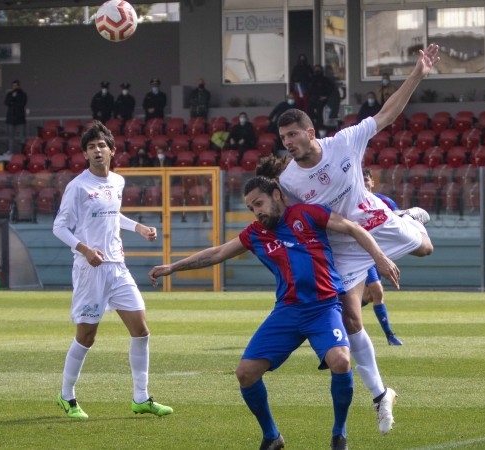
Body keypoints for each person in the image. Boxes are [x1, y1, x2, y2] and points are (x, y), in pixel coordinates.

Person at [257, 43, 440, 436]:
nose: (287, 142)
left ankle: (407, 215)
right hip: (341, 244)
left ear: (309, 132)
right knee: (352, 313)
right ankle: (380, 394)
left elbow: (388, 113)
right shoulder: (288, 180)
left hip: (374, 219)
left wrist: (418, 75)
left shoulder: (345, 141)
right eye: (282, 137)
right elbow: (293, 218)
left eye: (292, 134)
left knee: (426, 248)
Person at [149, 176, 400, 450]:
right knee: (245, 373)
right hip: (287, 312)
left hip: (324, 306)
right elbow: (217, 253)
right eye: (251, 207)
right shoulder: (256, 233)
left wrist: (379, 257)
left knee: (340, 361)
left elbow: (352, 228)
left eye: (259, 203)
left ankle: (339, 435)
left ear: (277, 195)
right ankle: (272, 436)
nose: (257, 211)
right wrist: (172, 267)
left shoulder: (305, 214)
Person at [52, 120, 173, 419]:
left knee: (141, 330)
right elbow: (59, 227)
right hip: (89, 269)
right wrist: (84, 250)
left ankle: (141, 398)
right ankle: (67, 396)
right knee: (87, 336)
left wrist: (138, 228)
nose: (97, 150)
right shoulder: (77, 186)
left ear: (112, 150)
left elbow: (111, 214)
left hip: (117, 267)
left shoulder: (117, 182)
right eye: (91, 147)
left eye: (101, 145)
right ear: (85, 154)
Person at [361, 169, 403, 346]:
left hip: (378, 255)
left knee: (369, 296)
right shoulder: (350, 202)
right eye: (360, 179)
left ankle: (335, 312)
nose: (363, 183)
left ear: (372, 182)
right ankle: (390, 335)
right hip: (359, 253)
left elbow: (400, 220)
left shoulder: (384, 201)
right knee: (377, 291)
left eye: (366, 179)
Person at [306, 64, 337, 130]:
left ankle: (320, 126)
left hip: (322, 99)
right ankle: (312, 124)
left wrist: (326, 96)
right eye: (316, 69)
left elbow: (330, 89)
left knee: (319, 110)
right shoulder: (312, 80)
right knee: (309, 109)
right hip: (314, 98)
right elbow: (309, 90)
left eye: (318, 69)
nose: (317, 71)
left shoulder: (325, 80)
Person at [4, 79, 28, 155]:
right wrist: (13, 98)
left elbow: (22, 103)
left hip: (20, 118)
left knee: (22, 136)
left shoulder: (23, 94)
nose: (14, 87)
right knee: (10, 136)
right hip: (11, 118)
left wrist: (14, 101)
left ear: (19, 86)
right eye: (13, 86)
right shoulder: (9, 94)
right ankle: (10, 151)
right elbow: (6, 102)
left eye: (16, 86)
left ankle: (23, 151)